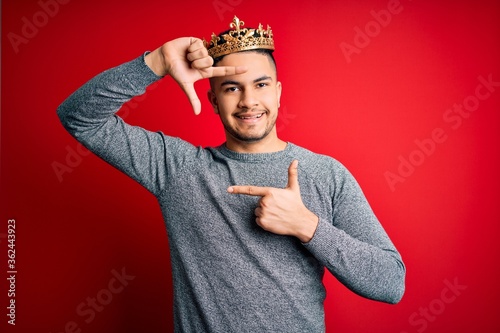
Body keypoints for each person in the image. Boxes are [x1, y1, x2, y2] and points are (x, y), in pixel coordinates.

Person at [57, 16, 405, 333]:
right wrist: (156, 62)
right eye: (232, 88)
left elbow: (391, 282)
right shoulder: (177, 168)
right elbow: (78, 116)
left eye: (261, 85)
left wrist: (307, 226)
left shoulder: (326, 173)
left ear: (279, 93)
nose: (249, 101)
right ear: (213, 100)